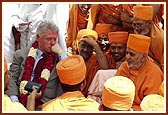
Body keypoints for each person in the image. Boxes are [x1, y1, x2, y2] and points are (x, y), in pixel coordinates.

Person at [6, 20, 67, 110]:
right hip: (19, 101)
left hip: (45, 106)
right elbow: (12, 78)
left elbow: (69, 70)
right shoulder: (21, 55)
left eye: (55, 39)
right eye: (49, 39)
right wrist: (15, 102)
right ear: (38, 37)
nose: (53, 43)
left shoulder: (59, 60)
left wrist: (61, 52)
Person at [27, 55, 100, 111]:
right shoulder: (96, 108)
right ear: (83, 85)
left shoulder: (49, 108)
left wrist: (32, 99)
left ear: (61, 85)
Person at [115, 34, 163, 111]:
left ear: (144, 57)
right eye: (127, 53)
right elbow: (115, 88)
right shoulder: (124, 66)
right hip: (119, 105)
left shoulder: (154, 73)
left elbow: (150, 105)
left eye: (132, 54)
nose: (127, 57)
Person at [76, 29, 109, 97]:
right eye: (83, 46)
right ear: (77, 45)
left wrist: (95, 45)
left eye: (89, 47)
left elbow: (105, 69)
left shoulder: (96, 59)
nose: (85, 50)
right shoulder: (72, 59)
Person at [132, 5, 164, 71]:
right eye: (134, 24)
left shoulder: (160, 38)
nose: (136, 28)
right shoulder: (138, 32)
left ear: (149, 24)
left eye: (139, 24)